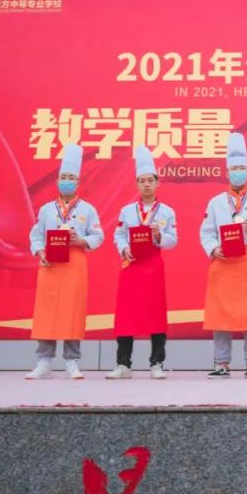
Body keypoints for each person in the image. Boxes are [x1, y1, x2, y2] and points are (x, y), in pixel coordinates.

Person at [199, 133, 247, 378]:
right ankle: (221, 363)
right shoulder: (215, 202)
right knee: (220, 314)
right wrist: (214, 249)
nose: (238, 173)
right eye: (234, 169)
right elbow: (206, 232)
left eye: (242, 168)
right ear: (227, 172)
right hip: (223, 262)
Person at [26, 143, 103, 380]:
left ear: (78, 182)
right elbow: (36, 235)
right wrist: (40, 252)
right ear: (57, 181)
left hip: (74, 265)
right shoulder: (46, 209)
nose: (67, 181)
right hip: (50, 265)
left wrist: (80, 240)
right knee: (46, 313)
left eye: (71, 178)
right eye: (63, 177)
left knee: (73, 313)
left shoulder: (87, 209)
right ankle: (44, 361)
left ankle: (72, 362)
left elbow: (98, 235)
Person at [106, 145, 177, 380]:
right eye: (142, 181)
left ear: (158, 183)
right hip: (131, 266)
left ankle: (157, 363)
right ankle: (123, 364)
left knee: (156, 315)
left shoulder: (166, 212)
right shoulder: (127, 211)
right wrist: (124, 248)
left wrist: (159, 235)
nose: (146, 184)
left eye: (150, 180)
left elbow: (173, 240)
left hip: (153, 267)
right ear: (136, 184)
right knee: (126, 316)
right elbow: (118, 235)